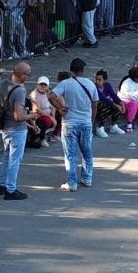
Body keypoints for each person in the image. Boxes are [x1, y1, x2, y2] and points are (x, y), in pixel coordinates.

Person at [53, 60, 100, 190]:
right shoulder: (90, 84)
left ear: (71, 71)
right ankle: (87, 178)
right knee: (87, 152)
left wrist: (59, 108)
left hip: (69, 122)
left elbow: (50, 95)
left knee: (70, 154)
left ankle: (72, 182)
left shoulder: (65, 83)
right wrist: (91, 119)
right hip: (86, 122)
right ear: (82, 71)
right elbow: (95, 104)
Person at [0, 62, 31, 200]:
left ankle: (2, 185)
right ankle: (11, 189)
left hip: (6, 128)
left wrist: (3, 108)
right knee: (15, 160)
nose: (28, 76)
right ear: (21, 74)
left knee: (6, 157)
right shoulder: (19, 91)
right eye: (28, 74)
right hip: (17, 130)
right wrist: (33, 115)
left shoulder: (3, 83)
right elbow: (18, 117)